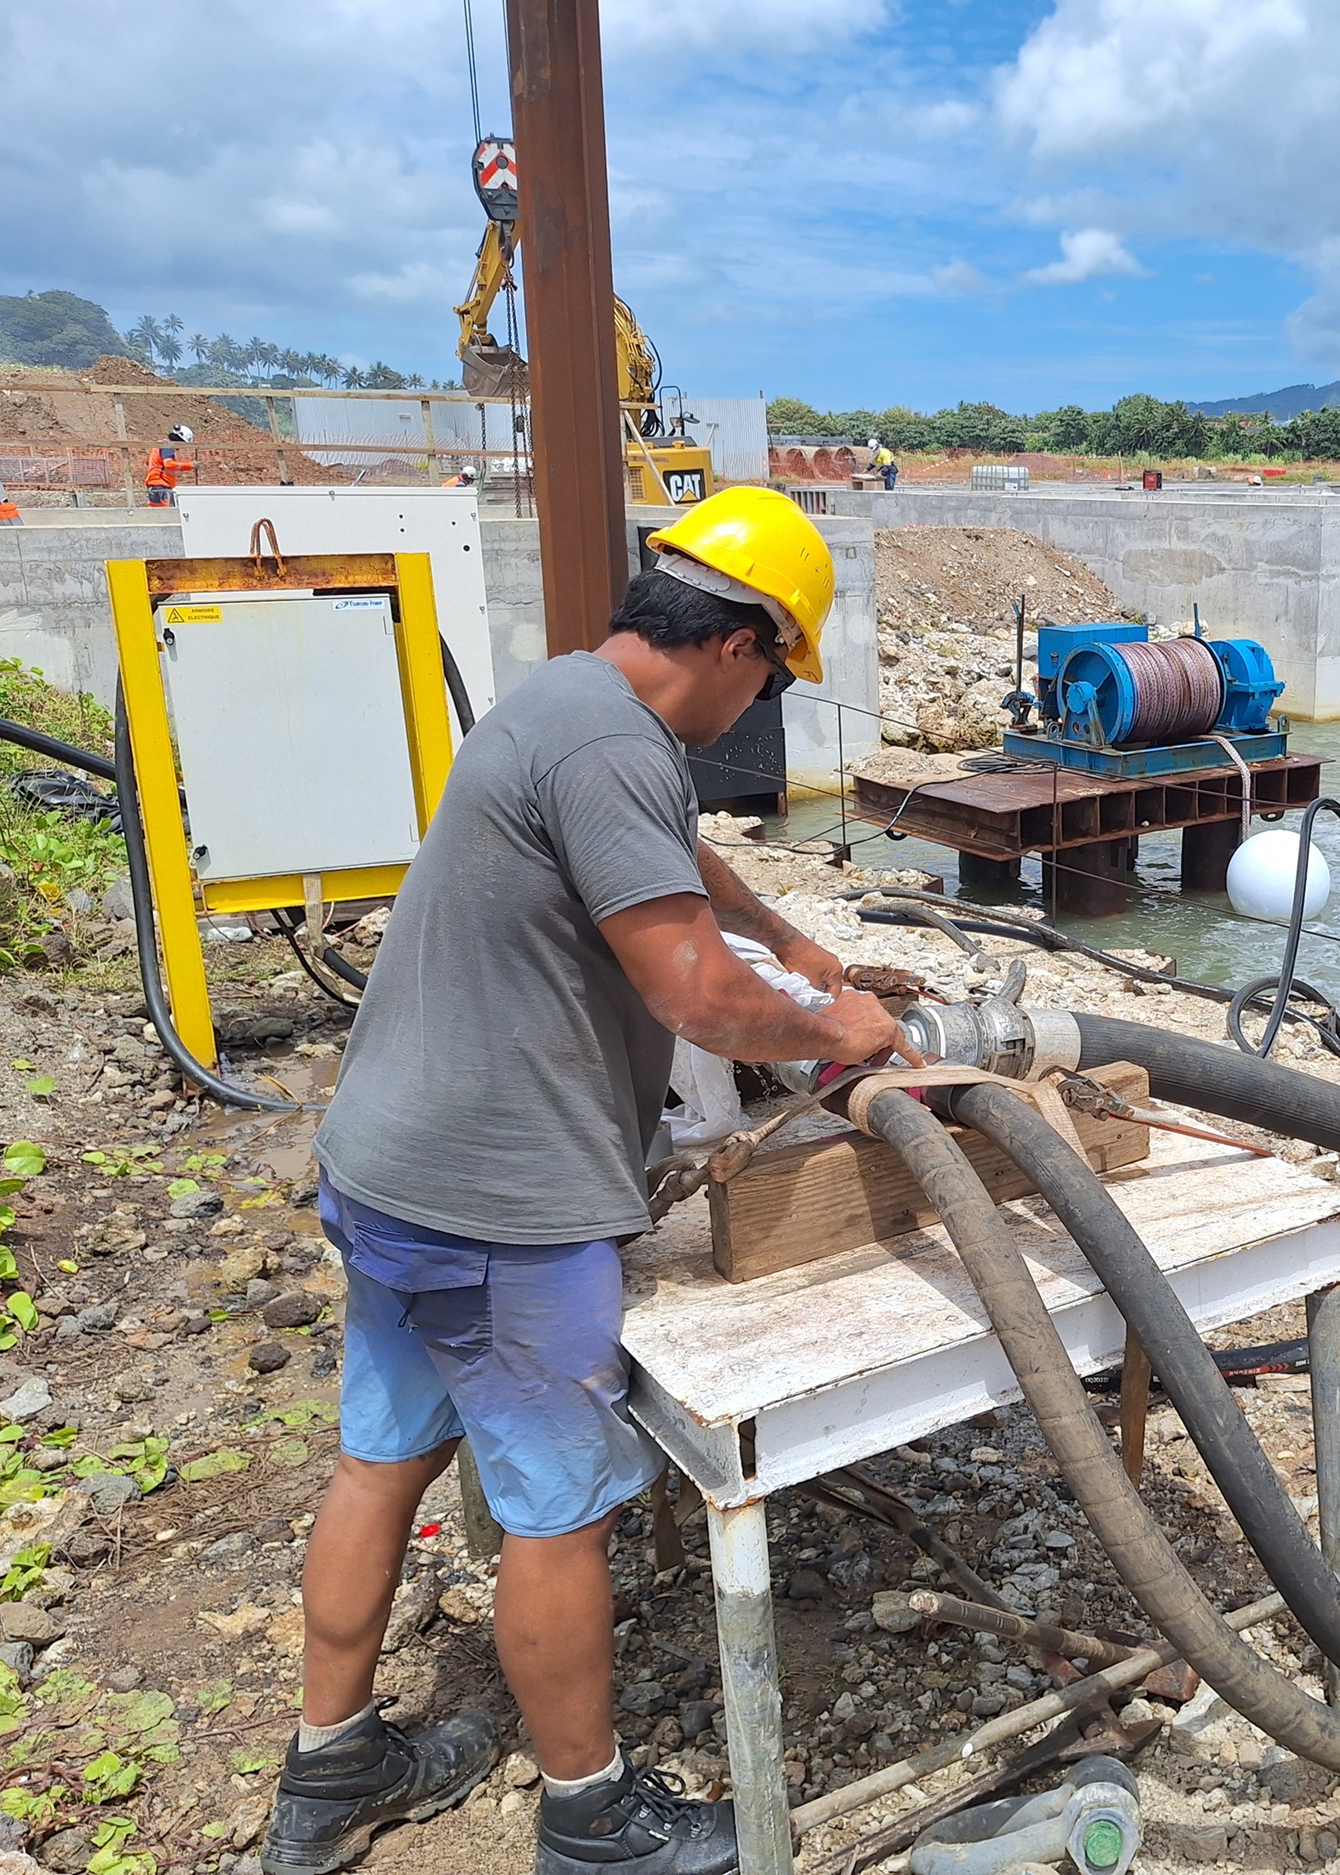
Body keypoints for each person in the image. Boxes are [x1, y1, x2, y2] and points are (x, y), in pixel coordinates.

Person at [263, 487, 913, 1875]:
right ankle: (593, 1817)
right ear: (738, 644)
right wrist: (835, 1026)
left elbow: (664, 852)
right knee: (559, 1510)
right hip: (500, 1201)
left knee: (384, 1456)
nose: (759, 706)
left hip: (388, 1167)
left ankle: (333, 1768)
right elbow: (701, 1000)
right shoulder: (620, 746)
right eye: (774, 678)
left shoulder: (570, 698)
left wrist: (791, 933)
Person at [143, 425, 195, 506]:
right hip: (161, 486)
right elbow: (168, 464)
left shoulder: (159, 445)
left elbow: (148, 462)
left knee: (156, 512)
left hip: (155, 486)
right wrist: (190, 465)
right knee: (165, 512)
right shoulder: (167, 447)